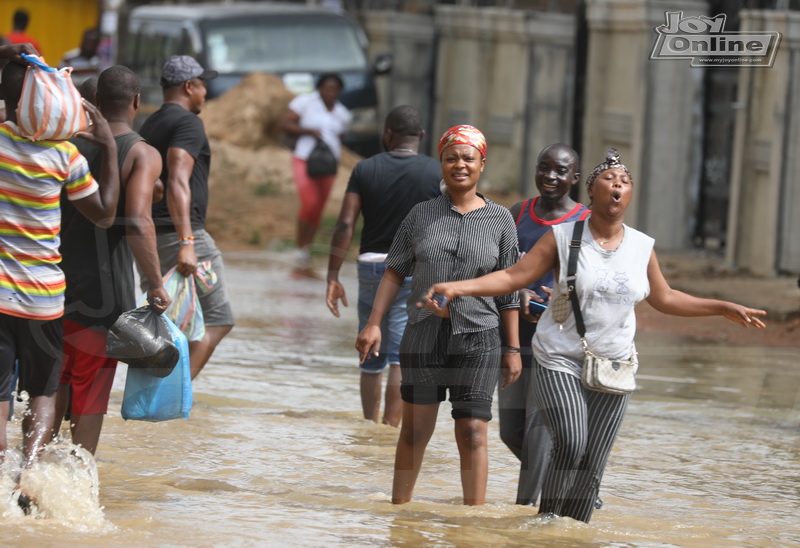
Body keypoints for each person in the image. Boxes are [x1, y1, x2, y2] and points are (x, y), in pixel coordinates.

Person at [421, 148, 767, 522]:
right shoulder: (563, 237)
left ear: (630, 195)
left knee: (592, 464)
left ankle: (572, 533)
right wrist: (459, 287)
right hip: (559, 357)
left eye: (625, 182)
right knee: (571, 442)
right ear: (592, 191)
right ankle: (547, 523)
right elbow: (512, 277)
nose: (618, 186)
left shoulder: (641, 246)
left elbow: (666, 298)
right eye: (609, 180)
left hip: (615, 366)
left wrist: (722, 306)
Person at [356, 125, 522, 506]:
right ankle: (399, 515)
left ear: (482, 164)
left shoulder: (500, 221)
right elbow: (395, 270)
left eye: (468, 158)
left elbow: (510, 287)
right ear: (441, 164)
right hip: (423, 336)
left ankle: (472, 524)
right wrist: (374, 322)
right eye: (451, 158)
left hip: (479, 339)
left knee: (473, 431)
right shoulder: (420, 215)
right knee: (414, 432)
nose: (459, 165)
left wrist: (512, 348)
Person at [0, 43, 119, 492]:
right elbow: (106, 213)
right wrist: (105, 142)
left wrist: (4, 54)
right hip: (45, 301)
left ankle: (2, 479)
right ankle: (29, 472)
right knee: (43, 394)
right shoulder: (66, 156)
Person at [53, 65, 170, 455]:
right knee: (90, 391)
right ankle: (76, 480)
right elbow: (137, 222)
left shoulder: (65, 145)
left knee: (50, 386)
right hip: (102, 295)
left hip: (50, 286)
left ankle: (29, 476)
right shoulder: (141, 153)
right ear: (137, 102)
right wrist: (155, 283)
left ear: (96, 102)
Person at [326, 105, 440, 427]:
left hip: (372, 266)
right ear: (421, 136)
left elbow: (345, 224)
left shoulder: (365, 169)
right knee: (400, 357)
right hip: (415, 270)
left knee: (369, 347)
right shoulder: (435, 173)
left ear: (387, 135)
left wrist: (332, 275)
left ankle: (368, 425)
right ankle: (390, 431)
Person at [500, 143, 590, 506]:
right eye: (544, 168)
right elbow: (500, 270)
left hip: (558, 342)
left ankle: (526, 513)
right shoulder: (517, 213)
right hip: (513, 335)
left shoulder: (586, 221)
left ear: (575, 178)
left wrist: (560, 294)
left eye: (561, 171)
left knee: (539, 430)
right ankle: (573, 481)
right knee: (510, 430)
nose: (550, 177)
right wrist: (517, 287)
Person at [139, 55, 235, 380]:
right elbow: (179, 178)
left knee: (166, 325)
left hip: (151, 237)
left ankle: (158, 393)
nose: (206, 91)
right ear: (189, 86)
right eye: (203, 84)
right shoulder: (188, 123)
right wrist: (187, 241)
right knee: (219, 319)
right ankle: (172, 394)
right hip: (181, 234)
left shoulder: (150, 123)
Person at [281, 73, 351, 278]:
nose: (331, 92)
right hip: (304, 158)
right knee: (309, 203)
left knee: (318, 209)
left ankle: (306, 248)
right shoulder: (305, 102)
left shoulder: (342, 113)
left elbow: (341, 135)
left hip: (328, 164)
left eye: (335, 89)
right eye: (327, 88)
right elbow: (285, 123)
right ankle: (299, 246)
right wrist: (308, 131)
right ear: (319, 88)